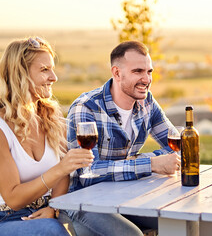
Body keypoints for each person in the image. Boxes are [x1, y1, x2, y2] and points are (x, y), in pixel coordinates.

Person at [66, 40, 181, 235]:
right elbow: (88, 173)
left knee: (182, 219)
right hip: (84, 201)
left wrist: (138, 160)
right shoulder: (86, 108)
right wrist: (151, 163)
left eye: (149, 71)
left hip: (125, 192)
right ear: (117, 73)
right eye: (138, 71)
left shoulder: (147, 102)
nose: (146, 79)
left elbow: (179, 146)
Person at [0, 37, 94, 235]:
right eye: (44, 70)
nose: (54, 77)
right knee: (51, 231)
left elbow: (63, 176)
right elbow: (13, 198)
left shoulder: (49, 116)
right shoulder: (2, 129)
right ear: (20, 75)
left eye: (52, 69)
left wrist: (54, 207)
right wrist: (61, 168)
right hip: (7, 217)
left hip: (47, 211)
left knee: (94, 219)